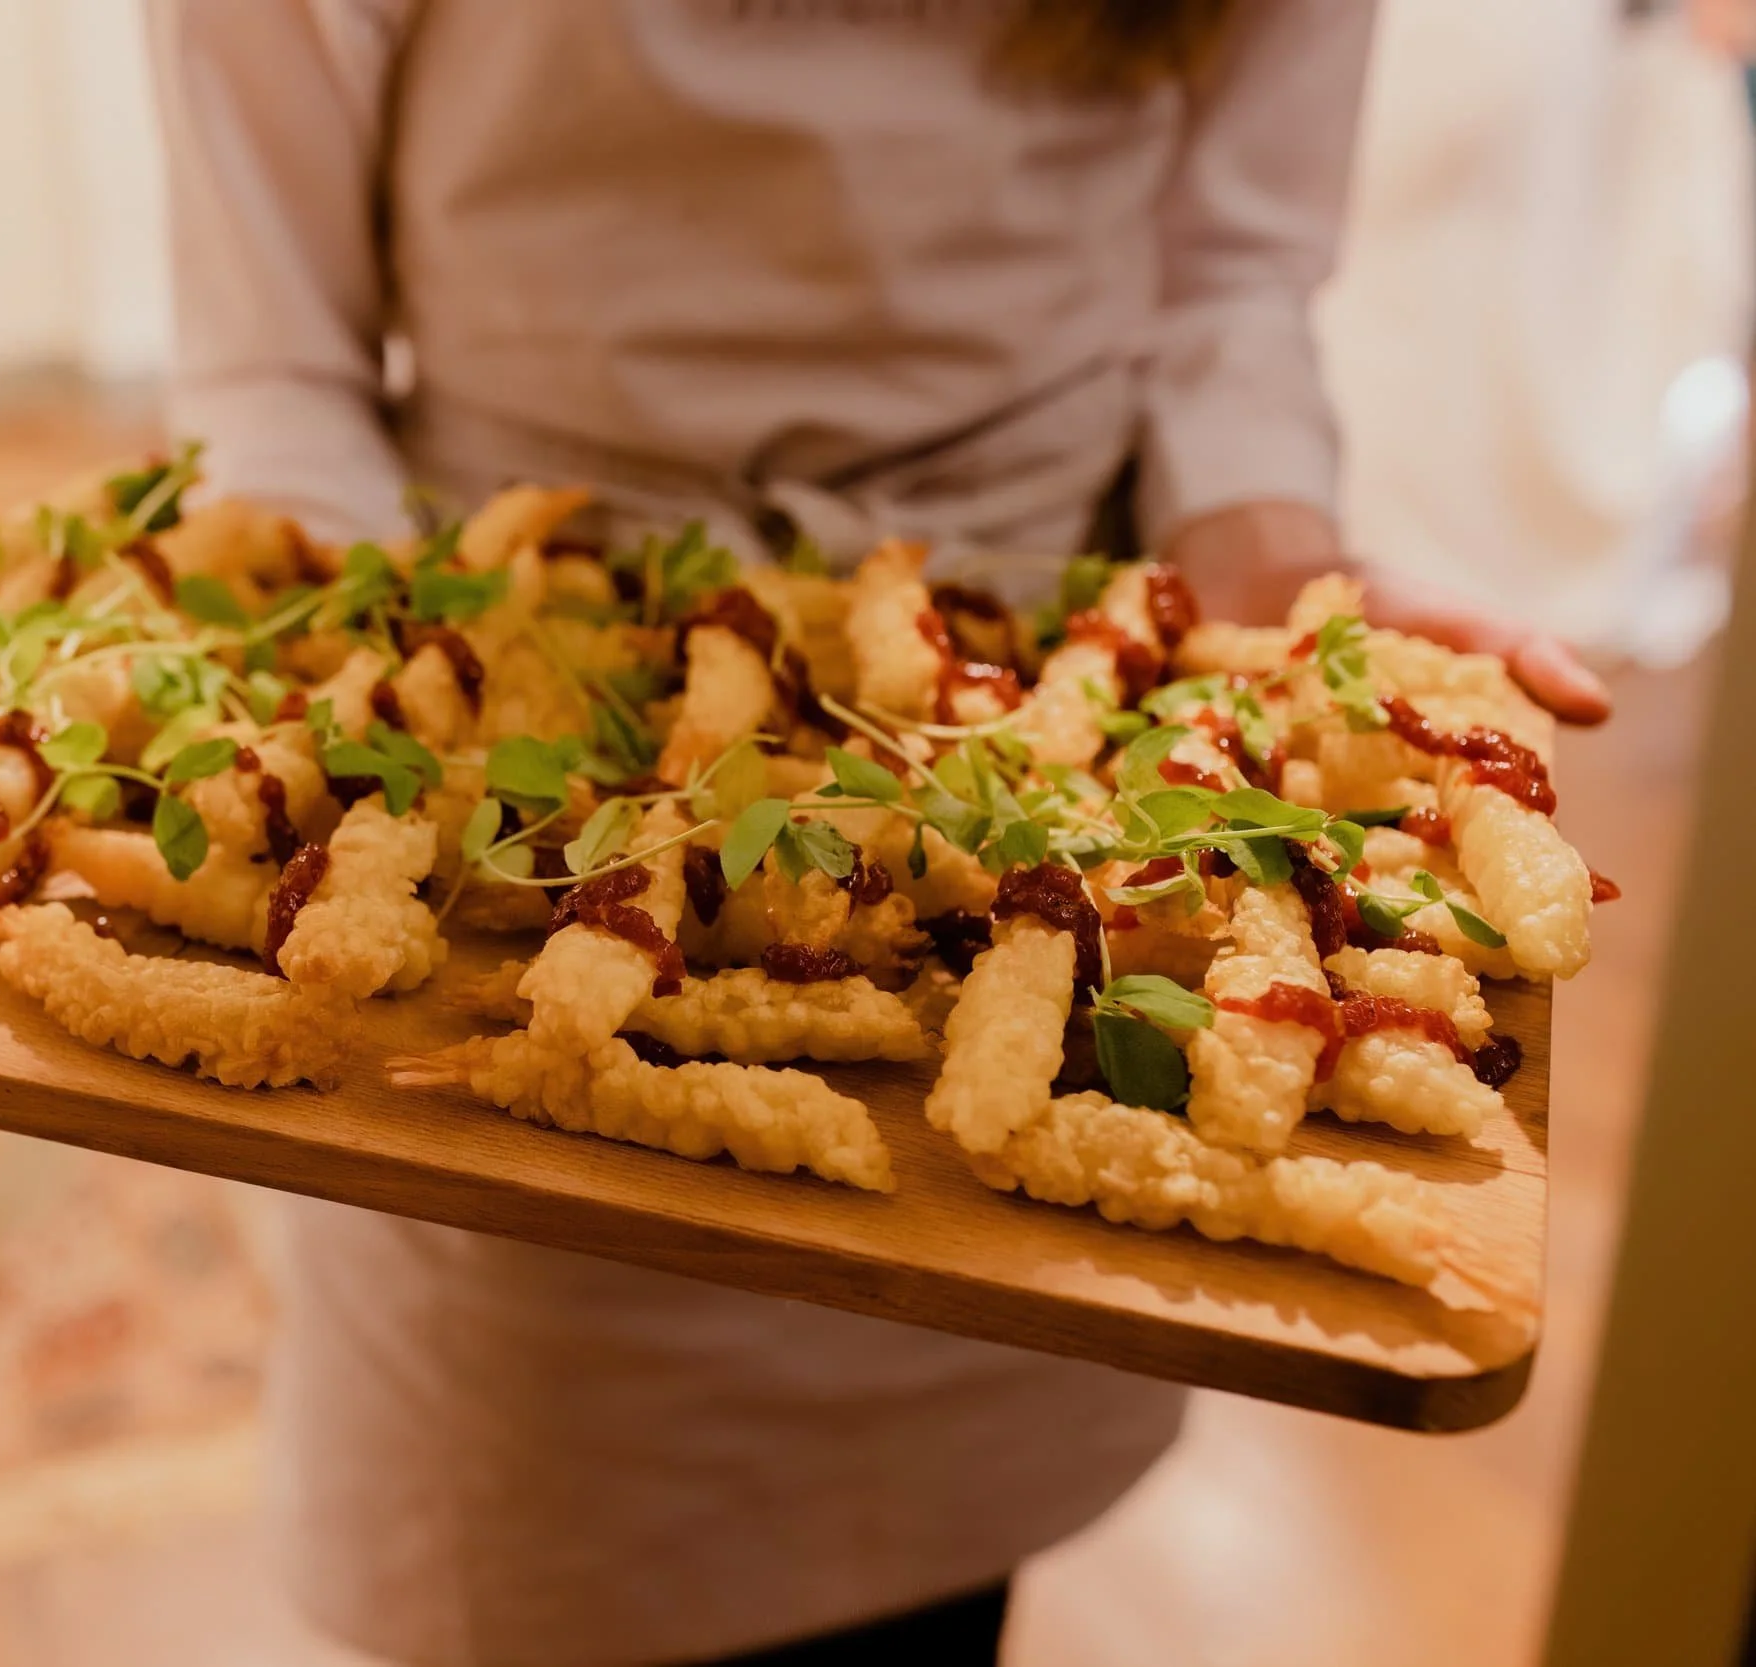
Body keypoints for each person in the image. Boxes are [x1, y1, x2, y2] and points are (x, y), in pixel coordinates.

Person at [148, 5, 1607, 1663]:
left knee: (929, 1533)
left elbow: (1226, 280)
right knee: (558, 1538)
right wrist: (382, 678)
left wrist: (1269, 562)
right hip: (526, 731)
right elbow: (281, 366)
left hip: (1060, 719)